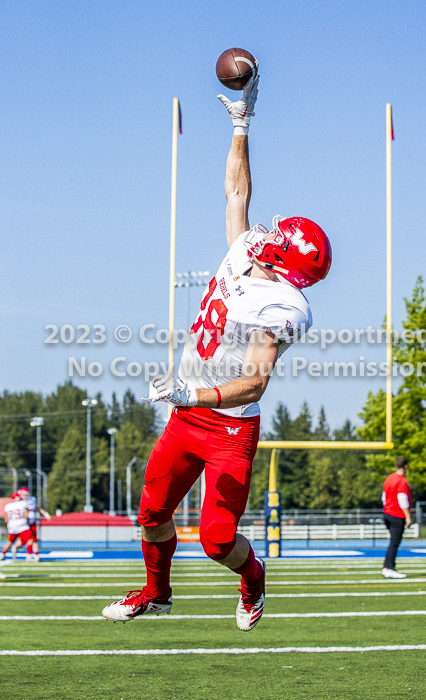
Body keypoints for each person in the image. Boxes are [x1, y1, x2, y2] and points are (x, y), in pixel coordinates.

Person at [102, 69, 332, 630]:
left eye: (278, 240)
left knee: (215, 540)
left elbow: (254, 382)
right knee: (152, 512)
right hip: (188, 417)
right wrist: (240, 123)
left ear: (284, 266)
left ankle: (253, 579)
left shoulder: (280, 308)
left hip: (228, 426)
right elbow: (236, 192)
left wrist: (192, 391)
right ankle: (158, 593)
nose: (266, 234)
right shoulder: (251, 249)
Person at [382, 457, 412, 579]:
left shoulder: (389, 478)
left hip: (387, 513)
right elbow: (402, 498)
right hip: (396, 514)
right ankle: (389, 567)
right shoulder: (401, 481)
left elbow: (383, 497)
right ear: (406, 466)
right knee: (394, 542)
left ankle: (386, 567)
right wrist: (408, 516)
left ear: (395, 466)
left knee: (392, 542)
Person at [15, 487, 51, 562]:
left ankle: (35, 555)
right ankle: (22, 551)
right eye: (24, 494)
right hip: (23, 523)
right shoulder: (18, 502)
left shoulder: (31, 499)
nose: (26, 496)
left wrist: (45, 514)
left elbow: (36, 508)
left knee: (33, 539)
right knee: (26, 540)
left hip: (32, 522)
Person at [0, 493, 35, 562]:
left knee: (10, 542)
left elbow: (6, 519)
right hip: (22, 525)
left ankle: (2, 555)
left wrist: (10, 525)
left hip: (12, 526)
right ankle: (29, 556)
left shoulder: (8, 506)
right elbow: (26, 515)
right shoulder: (22, 504)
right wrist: (27, 523)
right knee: (30, 539)